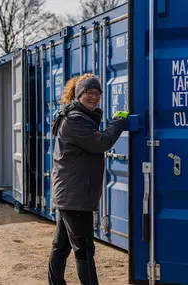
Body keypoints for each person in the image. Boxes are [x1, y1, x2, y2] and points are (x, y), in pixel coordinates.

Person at [48, 73, 129, 285]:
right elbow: (100, 142)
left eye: (97, 93)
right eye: (89, 93)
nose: (94, 97)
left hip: (71, 193)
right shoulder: (76, 119)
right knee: (84, 248)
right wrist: (118, 122)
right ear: (79, 94)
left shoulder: (77, 116)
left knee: (62, 244)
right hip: (75, 195)